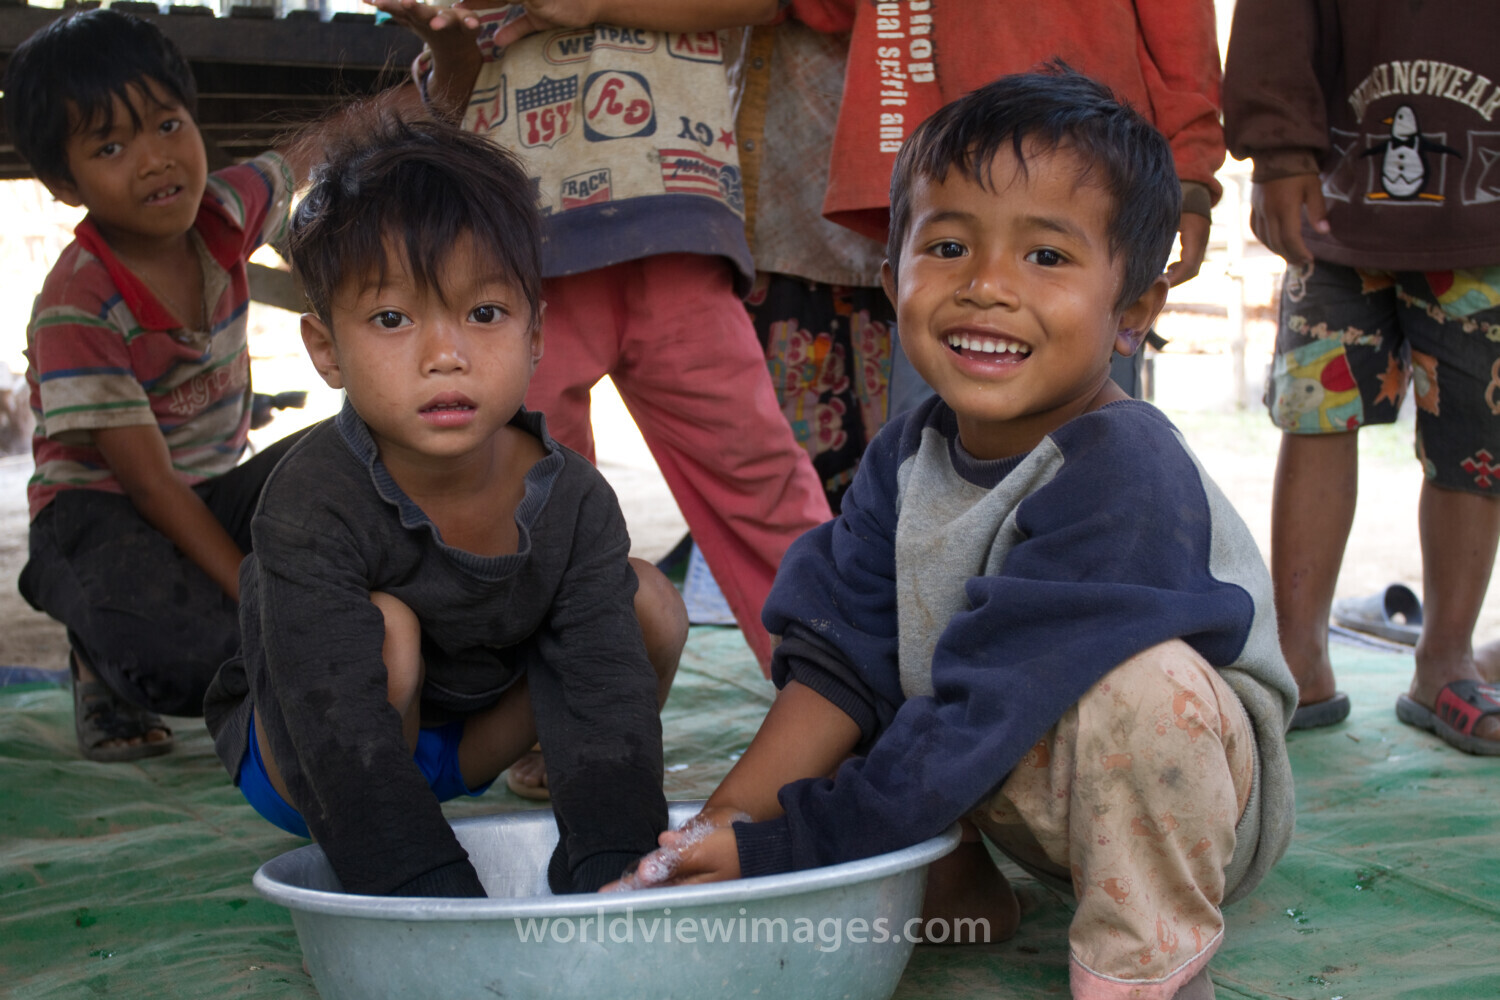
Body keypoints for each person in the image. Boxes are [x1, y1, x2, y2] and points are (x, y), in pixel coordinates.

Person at [614, 70, 1298, 1000]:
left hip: (1181, 788)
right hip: (1005, 744)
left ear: (1133, 309)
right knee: (868, 664)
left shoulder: (1123, 465)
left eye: (1047, 258)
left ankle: (1146, 968)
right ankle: (953, 890)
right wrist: (717, 832)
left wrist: (788, 844)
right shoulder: (907, 456)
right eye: (946, 245)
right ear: (893, 275)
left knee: (1139, 690)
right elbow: (840, 666)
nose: (986, 287)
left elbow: (1006, 693)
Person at [202, 113, 684, 898]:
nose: (445, 355)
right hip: (311, 755)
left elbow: (604, 702)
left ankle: (538, 798)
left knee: (646, 605)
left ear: (535, 335)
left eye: (484, 313)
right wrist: (428, 894)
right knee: (387, 632)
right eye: (392, 319)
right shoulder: (309, 499)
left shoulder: (576, 504)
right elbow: (333, 731)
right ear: (326, 350)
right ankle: (404, 848)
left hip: (461, 742)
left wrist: (617, 877)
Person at [374, 0, 832, 676]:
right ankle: (557, 714)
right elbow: (451, 108)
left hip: (676, 232)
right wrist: (444, 35)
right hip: (520, 265)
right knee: (533, 507)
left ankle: (841, 696)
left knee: (758, 477)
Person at [6, 9, 302, 762]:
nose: (153, 160)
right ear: (65, 184)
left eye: (167, 125)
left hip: (209, 493)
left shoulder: (225, 212)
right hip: (100, 514)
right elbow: (151, 490)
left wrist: (440, 64)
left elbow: (320, 148)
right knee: (196, 659)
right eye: (110, 145)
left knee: (367, 452)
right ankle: (93, 647)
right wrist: (260, 601)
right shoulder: (79, 302)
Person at [1223, 0, 1500, 750]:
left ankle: (1445, 658)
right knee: (1316, 416)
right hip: (1335, 206)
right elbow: (1276, 20)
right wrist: (1278, 154)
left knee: (1475, 439)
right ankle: (1297, 654)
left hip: (1484, 221)